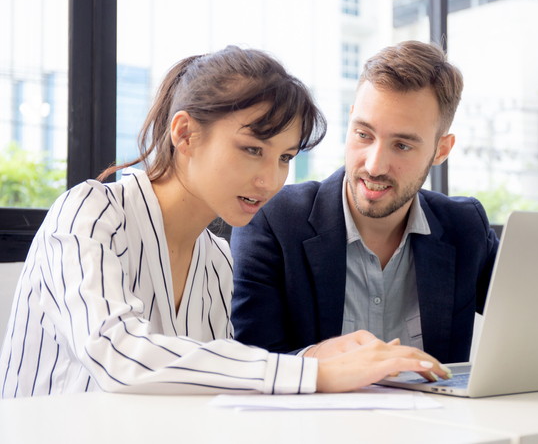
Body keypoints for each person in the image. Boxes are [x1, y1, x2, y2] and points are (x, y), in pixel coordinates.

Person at [0, 45, 451, 399]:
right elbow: (117, 353)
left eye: (285, 158)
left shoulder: (216, 259)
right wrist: (314, 370)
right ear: (184, 134)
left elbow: (212, 379)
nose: (270, 179)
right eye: (253, 149)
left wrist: (316, 354)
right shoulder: (91, 211)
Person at [230, 41, 500, 364]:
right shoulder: (274, 222)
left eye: (401, 145)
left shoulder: (466, 228)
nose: (374, 165)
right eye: (364, 135)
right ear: (351, 120)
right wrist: (318, 361)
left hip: (435, 416)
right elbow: (250, 366)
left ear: (441, 150)